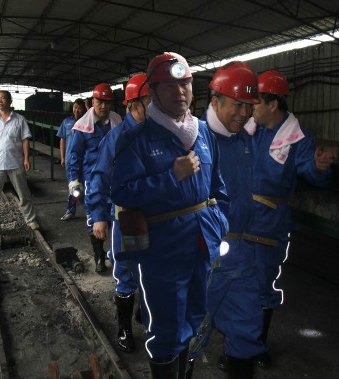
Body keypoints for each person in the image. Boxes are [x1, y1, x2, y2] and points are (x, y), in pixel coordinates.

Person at [110, 52, 229, 379]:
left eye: (185, 84)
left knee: (193, 315)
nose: (180, 91)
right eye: (169, 86)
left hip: (202, 243)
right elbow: (121, 192)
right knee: (165, 326)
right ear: (152, 92)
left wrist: (220, 226)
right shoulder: (137, 137)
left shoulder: (204, 134)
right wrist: (170, 176)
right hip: (161, 249)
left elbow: (219, 188)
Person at [246, 69, 335, 368]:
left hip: (270, 221)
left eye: (256, 101)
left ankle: (256, 345)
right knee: (235, 280)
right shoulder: (250, 129)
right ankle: (237, 343)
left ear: (273, 104)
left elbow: (310, 172)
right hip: (240, 217)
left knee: (262, 283)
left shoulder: (297, 137)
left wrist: (319, 168)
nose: (251, 106)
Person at [202, 61, 265, 379]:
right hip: (202, 254)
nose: (244, 113)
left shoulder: (244, 142)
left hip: (240, 253)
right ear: (216, 101)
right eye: (238, 104)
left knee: (245, 332)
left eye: (250, 106)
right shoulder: (191, 140)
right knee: (188, 333)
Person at [87, 73, 150, 353]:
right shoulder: (117, 138)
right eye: (151, 102)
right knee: (128, 271)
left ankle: (145, 314)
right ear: (133, 105)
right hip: (131, 216)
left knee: (152, 269)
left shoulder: (159, 133)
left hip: (159, 215)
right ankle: (124, 329)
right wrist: (98, 215)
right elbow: (100, 176)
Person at [67, 83, 122, 273]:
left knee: (116, 218)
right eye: (99, 102)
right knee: (95, 220)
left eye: (107, 102)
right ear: (92, 102)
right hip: (92, 182)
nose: (103, 106)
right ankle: (99, 257)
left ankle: (114, 254)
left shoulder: (118, 122)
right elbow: (75, 157)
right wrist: (74, 181)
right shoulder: (82, 127)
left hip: (115, 181)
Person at [0, 90, 39, 232]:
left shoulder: (20, 120)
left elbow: (25, 140)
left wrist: (26, 158)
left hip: (15, 162)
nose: (0, 101)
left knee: (24, 193)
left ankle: (31, 221)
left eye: (3, 98)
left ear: (10, 101)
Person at [58, 98, 86, 221]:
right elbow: (62, 140)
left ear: (84, 109)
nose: (77, 110)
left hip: (85, 160)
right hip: (70, 160)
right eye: (75, 107)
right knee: (73, 186)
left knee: (87, 185)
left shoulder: (87, 121)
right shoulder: (66, 122)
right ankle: (71, 210)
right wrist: (62, 157)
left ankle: (90, 210)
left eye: (79, 107)